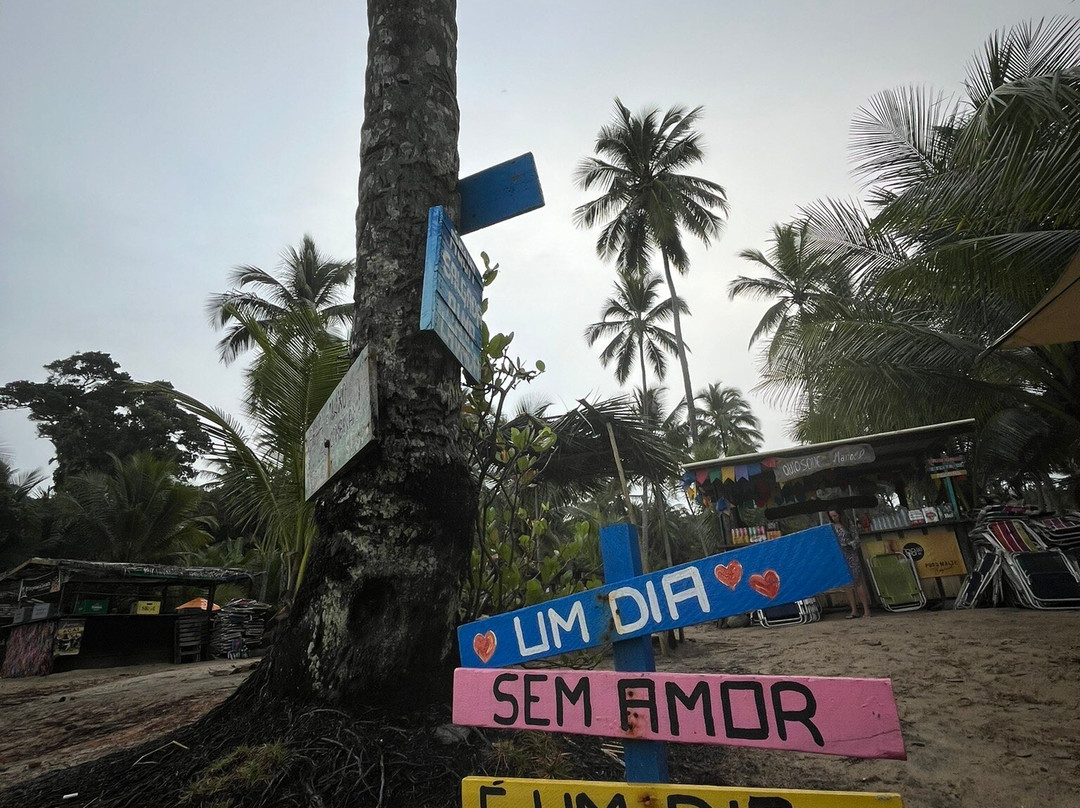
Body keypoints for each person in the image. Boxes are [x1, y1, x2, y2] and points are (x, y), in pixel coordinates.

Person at [829, 510, 872, 618]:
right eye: (832, 516)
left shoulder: (848, 525)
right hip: (840, 556)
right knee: (847, 584)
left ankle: (866, 610)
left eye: (835, 515)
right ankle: (853, 610)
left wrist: (848, 544)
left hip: (851, 555)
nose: (834, 518)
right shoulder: (831, 527)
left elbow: (857, 539)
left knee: (858, 582)